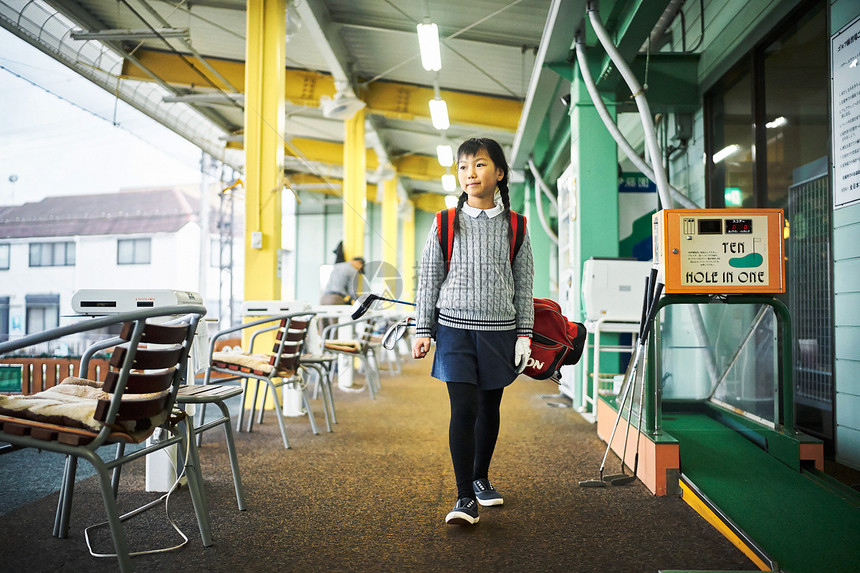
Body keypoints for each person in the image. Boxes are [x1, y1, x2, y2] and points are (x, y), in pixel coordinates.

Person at [412, 137, 534, 526]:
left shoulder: (516, 225)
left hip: (500, 332)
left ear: (499, 173)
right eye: (464, 167)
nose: (470, 173)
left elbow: (525, 282)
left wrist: (524, 334)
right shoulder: (445, 222)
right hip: (454, 331)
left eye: (479, 165)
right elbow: (429, 277)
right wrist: (422, 329)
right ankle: (464, 495)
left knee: (489, 408)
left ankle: (481, 477)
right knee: (463, 408)